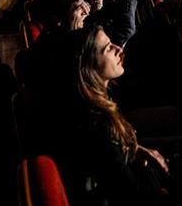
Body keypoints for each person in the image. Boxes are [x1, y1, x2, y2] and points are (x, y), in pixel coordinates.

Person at [46, 26, 168, 206]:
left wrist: (136, 150)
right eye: (108, 48)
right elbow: (132, 193)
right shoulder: (96, 125)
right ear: (87, 67)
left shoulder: (93, 103)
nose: (118, 49)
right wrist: (155, 174)